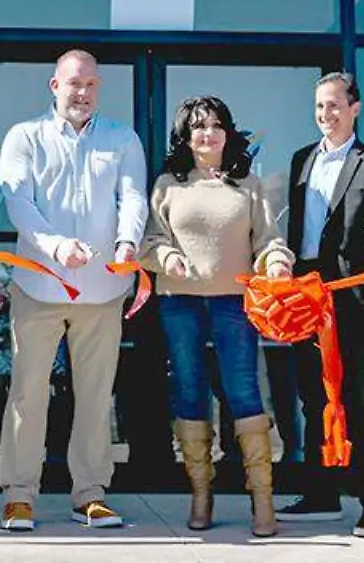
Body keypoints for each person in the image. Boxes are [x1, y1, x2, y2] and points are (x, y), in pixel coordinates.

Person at [0, 48, 148, 531]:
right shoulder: (24, 137)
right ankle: (19, 496)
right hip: (39, 285)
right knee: (28, 393)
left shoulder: (122, 139)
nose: (81, 92)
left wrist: (127, 243)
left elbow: (134, 198)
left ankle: (90, 494)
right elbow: (19, 203)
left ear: (98, 87)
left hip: (103, 290)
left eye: (89, 85)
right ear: (54, 85)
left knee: (95, 394)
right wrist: (56, 246)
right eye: (73, 83)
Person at [140, 95, 293, 536]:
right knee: (189, 389)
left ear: (228, 132)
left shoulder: (248, 185)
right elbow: (151, 240)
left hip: (234, 301)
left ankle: (262, 498)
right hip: (180, 302)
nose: (206, 134)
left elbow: (269, 239)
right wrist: (168, 257)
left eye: (215, 125)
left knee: (243, 390)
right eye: (197, 127)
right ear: (185, 137)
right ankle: (201, 495)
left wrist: (276, 261)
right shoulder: (169, 183)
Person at [276, 72, 364, 538]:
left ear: (355, 108)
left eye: (333, 106)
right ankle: (321, 493)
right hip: (307, 296)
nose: (325, 115)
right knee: (313, 398)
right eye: (318, 108)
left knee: (363, 401)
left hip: (355, 297)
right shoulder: (300, 161)